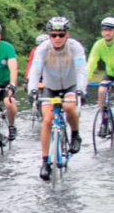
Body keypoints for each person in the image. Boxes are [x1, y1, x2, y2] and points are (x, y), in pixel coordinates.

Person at [27, 16, 87, 181]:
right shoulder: (43, 49)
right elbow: (35, 70)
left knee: (68, 107)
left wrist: (81, 90)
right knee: (47, 119)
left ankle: (75, 134)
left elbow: (82, 70)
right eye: (53, 35)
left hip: (70, 85)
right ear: (49, 35)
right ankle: (45, 162)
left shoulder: (75, 47)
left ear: (67, 34)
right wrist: (32, 89)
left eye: (61, 34)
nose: (57, 38)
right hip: (50, 88)